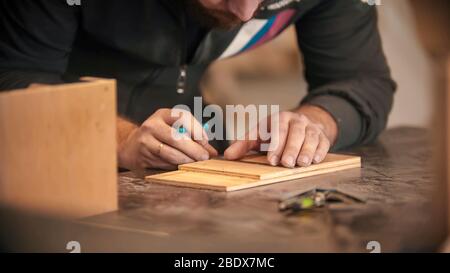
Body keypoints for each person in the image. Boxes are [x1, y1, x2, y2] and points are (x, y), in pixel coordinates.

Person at [0, 0, 396, 170]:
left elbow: (360, 78)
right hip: (59, 167)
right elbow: (14, 80)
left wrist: (315, 123)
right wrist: (117, 140)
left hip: (194, 151)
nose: (244, 12)